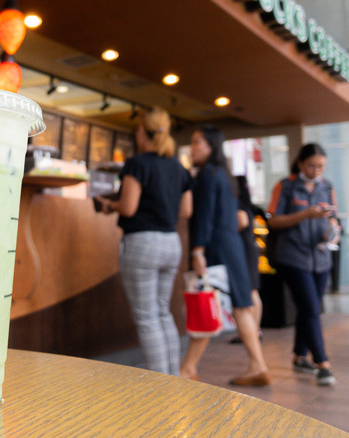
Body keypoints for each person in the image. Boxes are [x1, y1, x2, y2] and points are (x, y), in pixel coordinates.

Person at [96, 106, 193, 376]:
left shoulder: (137, 164)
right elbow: (186, 211)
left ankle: (161, 384)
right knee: (162, 312)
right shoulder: (178, 167)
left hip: (142, 244)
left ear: (141, 131)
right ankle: (173, 378)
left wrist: (108, 205)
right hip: (171, 242)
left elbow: (128, 207)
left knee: (147, 317)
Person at [181, 126, 270, 386]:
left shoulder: (208, 174)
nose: (192, 147)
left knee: (207, 301)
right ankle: (258, 365)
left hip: (216, 248)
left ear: (211, 146)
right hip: (233, 246)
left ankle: (188, 368)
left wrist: (197, 250)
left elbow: (205, 216)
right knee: (241, 306)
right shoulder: (225, 175)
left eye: (197, 142)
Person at [266, 143, 339, 386]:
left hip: (321, 257)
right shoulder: (285, 186)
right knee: (310, 308)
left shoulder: (327, 187)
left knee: (310, 307)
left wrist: (334, 232)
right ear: (300, 163)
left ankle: (299, 355)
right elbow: (273, 220)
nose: (317, 170)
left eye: (321, 166)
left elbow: (335, 219)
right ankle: (323, 364)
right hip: (293, 257)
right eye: (312, 165)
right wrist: (304, 214)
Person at [229, 175, 263, 344]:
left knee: (250, 291)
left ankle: (253, 330)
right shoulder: (246, 204)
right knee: (252, 291)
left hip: (245, 250)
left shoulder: (239, 204)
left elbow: (240, 222)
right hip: (249, 249)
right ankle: (253, 330)